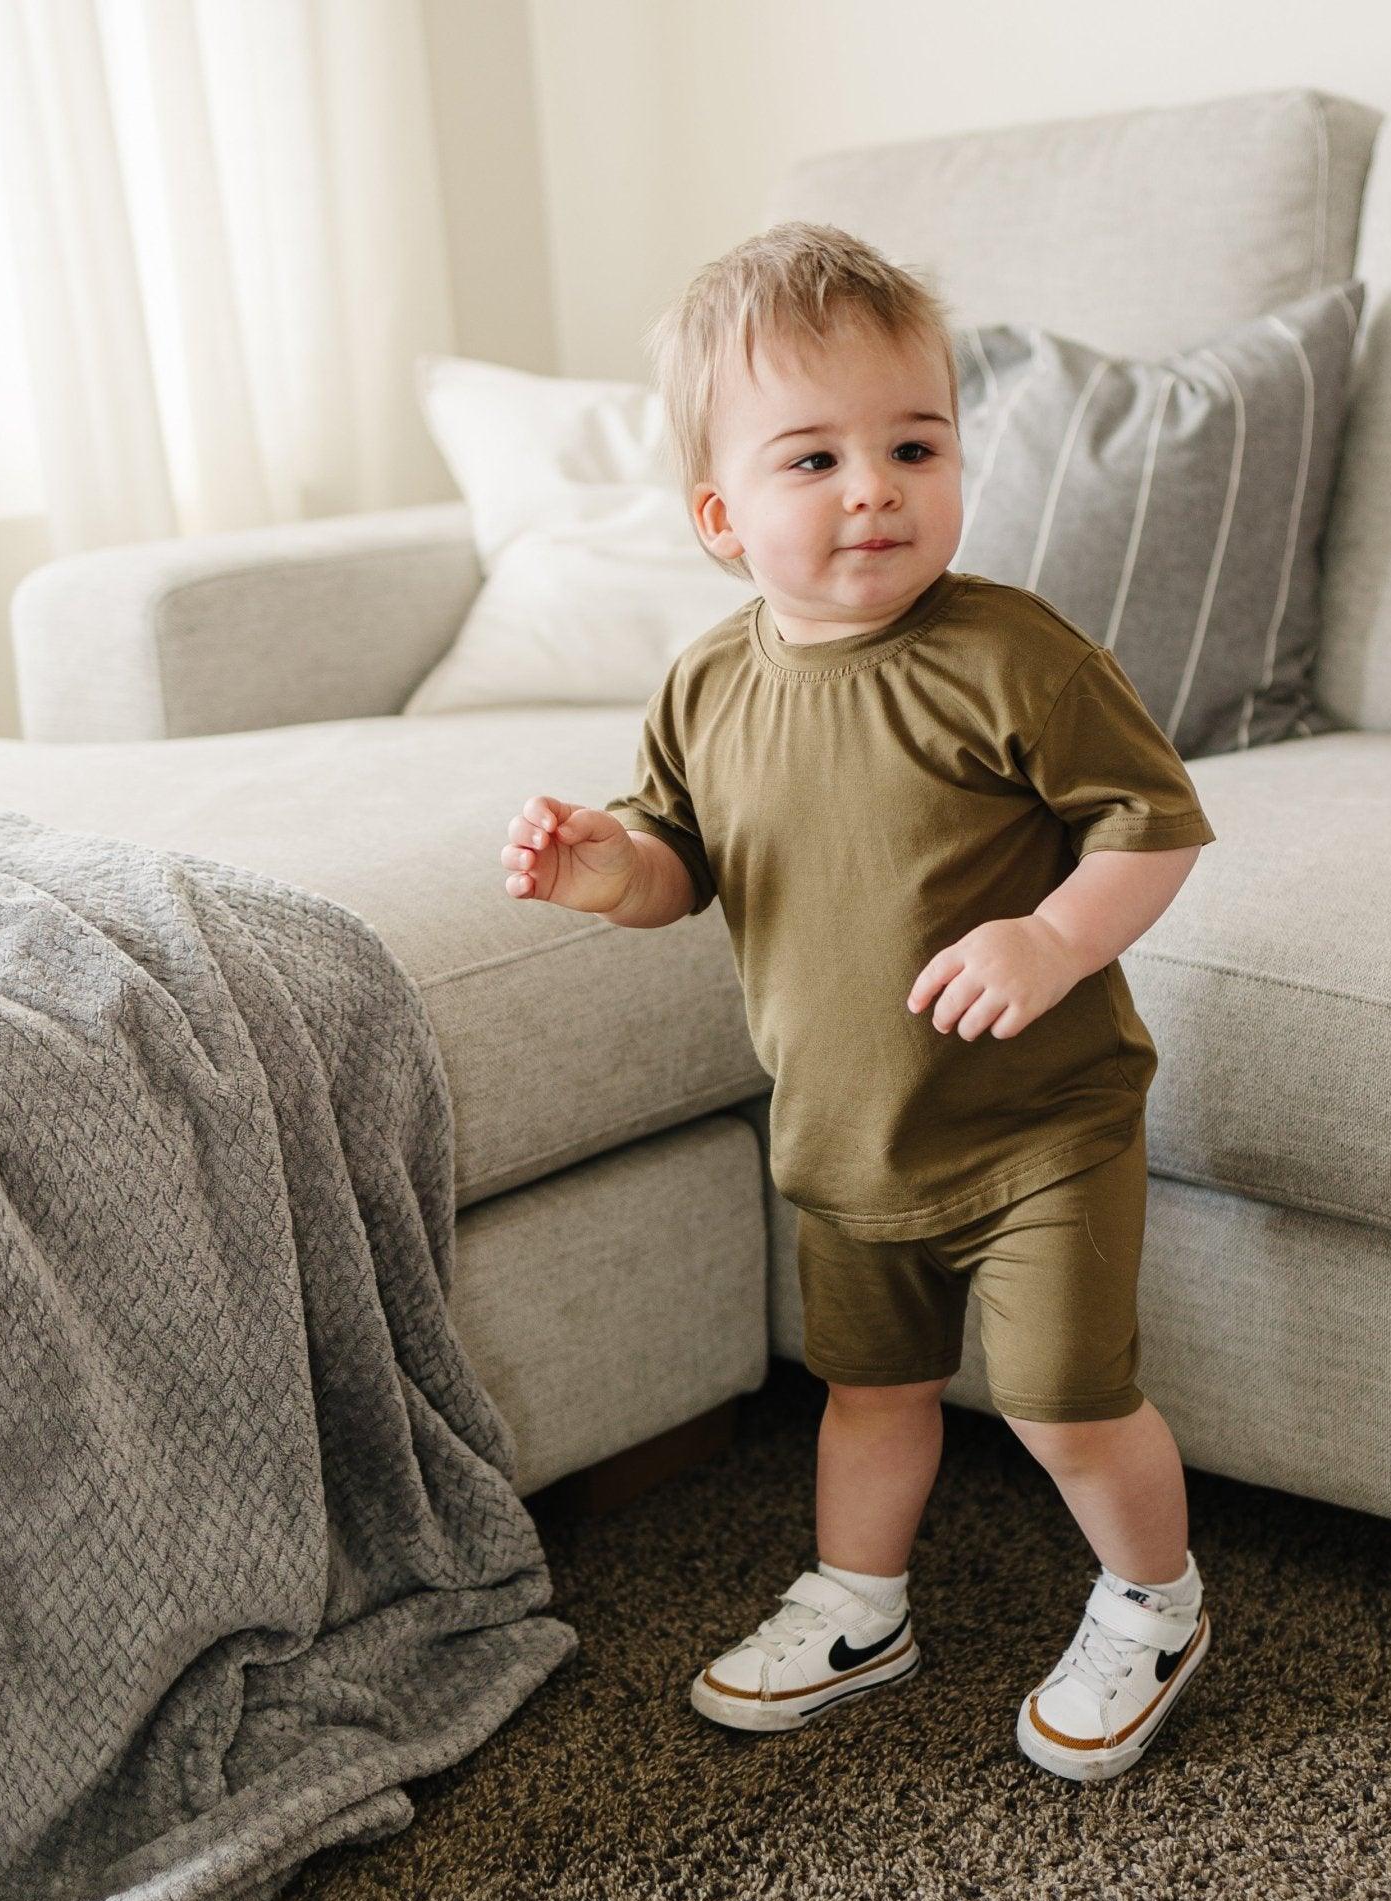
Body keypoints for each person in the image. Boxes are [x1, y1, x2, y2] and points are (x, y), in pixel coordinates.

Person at [498, 221, 1216, 1784]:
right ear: (720, 514)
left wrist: (1051, 938)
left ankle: (1154, 1602)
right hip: (848, 1143)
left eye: (913, 443)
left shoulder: (1013, 654)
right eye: (812, 459)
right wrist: (599, 870)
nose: (875, 487)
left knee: (1063, 1403)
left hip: (1041, 1129)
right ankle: (860, 1602)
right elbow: (678, 862)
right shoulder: (706, 686)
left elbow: (1152, 825)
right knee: (868, 1397)